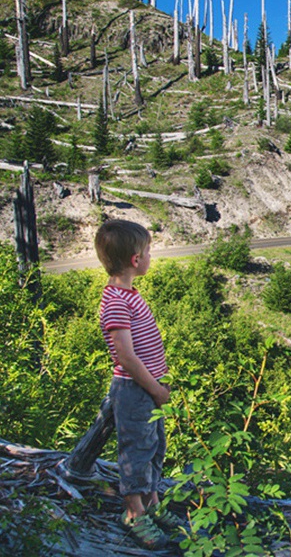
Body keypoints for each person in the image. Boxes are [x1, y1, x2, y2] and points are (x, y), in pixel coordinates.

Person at [95, 219, 181, 550]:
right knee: (136, 451)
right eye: (148, 252)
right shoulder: (116, 301)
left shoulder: (128, 294)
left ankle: (152, 503)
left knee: (154, 447)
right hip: (134, 390)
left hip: (146, 388)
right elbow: (127, 358)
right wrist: (157, 389)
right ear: (135, 259)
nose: (150, 257)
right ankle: (133, 512)